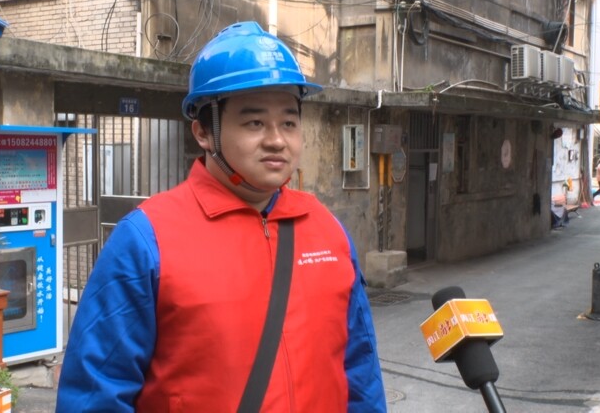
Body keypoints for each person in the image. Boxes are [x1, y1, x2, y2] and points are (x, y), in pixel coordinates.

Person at [56, 21, 387, 412]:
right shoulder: (148, 239)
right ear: (203, 132)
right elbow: (96, 395)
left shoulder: (327, 230)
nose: (277, 140)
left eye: (289, 122)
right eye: (254, 122)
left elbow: (361, 373)